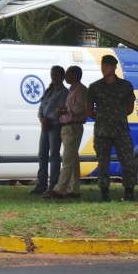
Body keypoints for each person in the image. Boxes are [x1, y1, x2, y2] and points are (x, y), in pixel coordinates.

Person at [86, 54, 137, 202]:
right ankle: (104, 193)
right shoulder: (95, 87)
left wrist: (117, 117)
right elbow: (88, 109)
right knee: (103, 163)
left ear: (114, 67)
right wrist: (101, 118)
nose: (104, 68)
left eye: (107, 65)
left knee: (127, 161)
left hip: (121, 130)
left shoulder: (125, 86)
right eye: (102, 65)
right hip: (102, 131)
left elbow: (130, 108)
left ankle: (129, 192)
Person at [45, 66, 87, 200]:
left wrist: (65, 110)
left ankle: (59, 190)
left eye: (67, 74)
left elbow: (79, 108)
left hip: (73, 126)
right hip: (67, 126)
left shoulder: (81, 90)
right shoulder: (71, 90)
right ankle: (74, 189)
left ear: (75, 76)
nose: (65, 77)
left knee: (67, 159)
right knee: (73, 159)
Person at [31, 66, 68, 195]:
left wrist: (48, 120)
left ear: (62, 76)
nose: (54, 77)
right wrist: (42, 119)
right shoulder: (49, 90)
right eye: (52, 74)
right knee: (42, 154)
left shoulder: (64, 92)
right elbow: (42, 105)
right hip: (45, 125)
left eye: (56, 75)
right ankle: (41, 184)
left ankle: (53, 184)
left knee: (54, 155)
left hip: (55, 125)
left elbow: (60, 109)